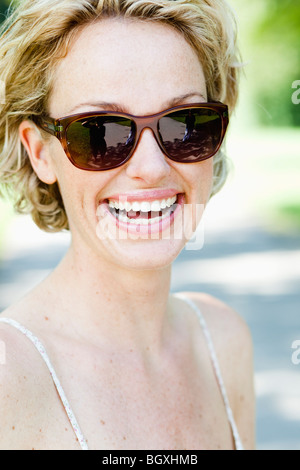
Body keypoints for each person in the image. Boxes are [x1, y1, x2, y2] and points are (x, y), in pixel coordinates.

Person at [0, 0, 255, 451]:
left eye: (185, 123)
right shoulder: (9, 378)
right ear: (40, 153)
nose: (152, 167)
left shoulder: (224, 340)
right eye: (100, 131)